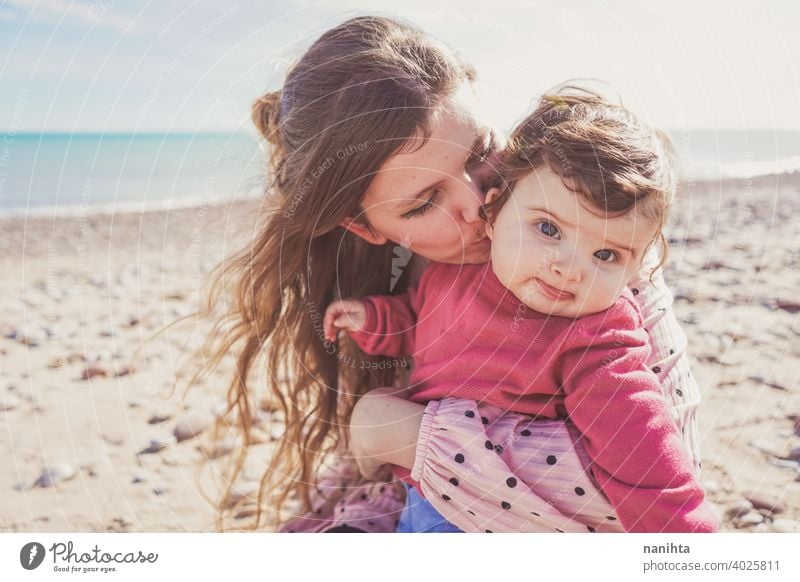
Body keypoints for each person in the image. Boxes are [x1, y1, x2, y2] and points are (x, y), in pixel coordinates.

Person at [196, 15, 704, 534]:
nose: (478, 201)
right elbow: (383, 454)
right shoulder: (408, 275)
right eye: (423, 204)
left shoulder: (601, 256)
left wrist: (409, 436)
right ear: (367, 228)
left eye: (482, 152)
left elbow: (662, 468)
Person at [323, 89, 718, 532]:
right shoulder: (450, 273)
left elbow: (644, 456)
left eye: (606, 255)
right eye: (548, 228)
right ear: (493, 211)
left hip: (494, 521)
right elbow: (418, 321)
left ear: (635, 268)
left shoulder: (596, 334)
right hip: (423, 495)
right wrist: (374, 320)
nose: (569, 269)